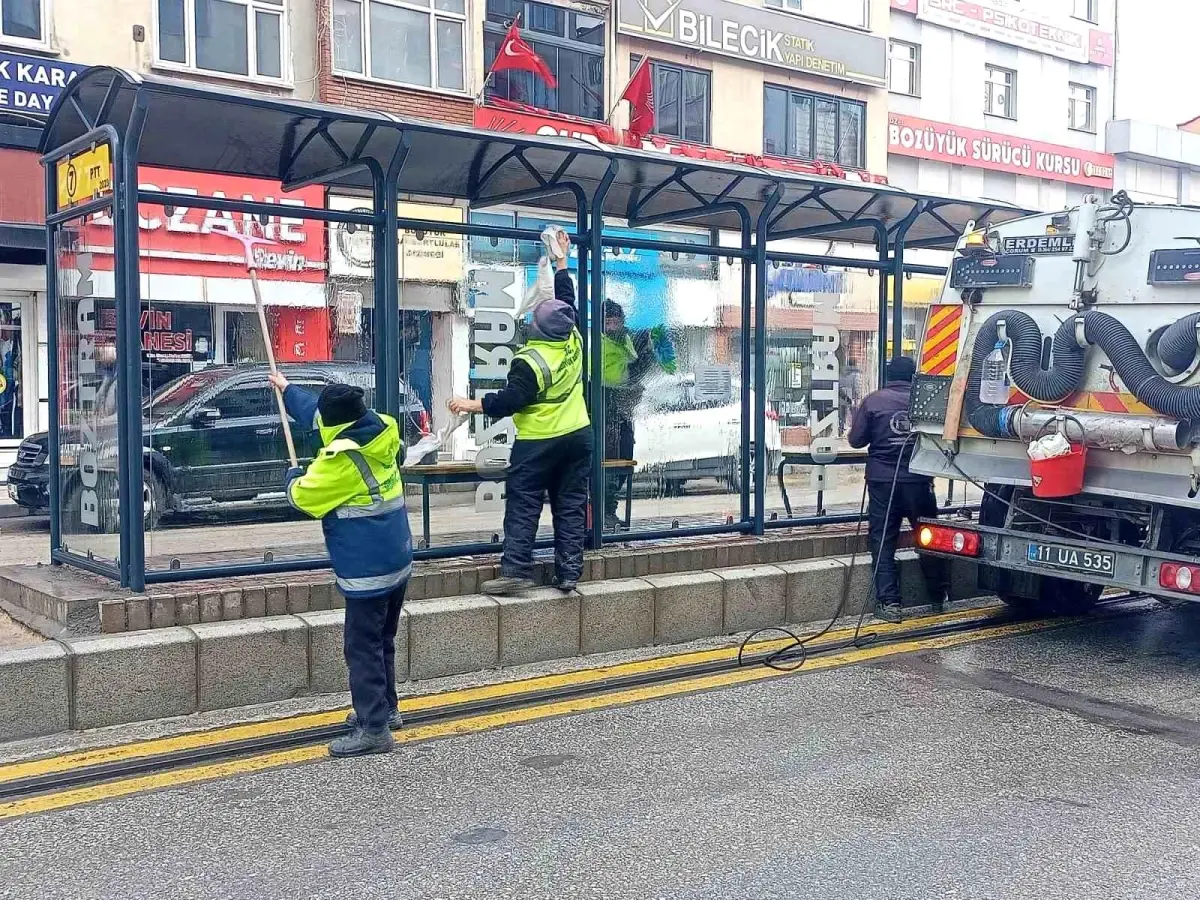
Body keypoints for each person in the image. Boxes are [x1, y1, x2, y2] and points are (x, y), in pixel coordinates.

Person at [268, 371, 412, 758]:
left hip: (367, 567)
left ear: (337, 424)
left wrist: (293, 477)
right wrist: (287, 389)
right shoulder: (379, 428)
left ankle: (374, 728)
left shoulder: (341, 459)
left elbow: (304, 498)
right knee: (383, 639)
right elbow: (317, 413)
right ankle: (387, 709)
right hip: (396, 556)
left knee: (361, 646)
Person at [449, 231, 590, 595]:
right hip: (578, 435)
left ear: (536, 328)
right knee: (570, 503)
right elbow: (566, 300)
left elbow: (513, 401)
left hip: (539, 440)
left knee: (525, 502)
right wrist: (561, 261)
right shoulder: (572, 337)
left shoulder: (530, 360)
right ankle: (569, 573)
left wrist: (472, 404)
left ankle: (516, 571)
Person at [848, 356, 948, 623]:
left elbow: (856, 440)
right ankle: (938, 596)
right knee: (929, 537)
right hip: (919, 481)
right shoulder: (926, 401)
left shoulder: (874, 401)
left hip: (883, 483)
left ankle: (890, 603)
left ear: (888, 374)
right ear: (914, 376)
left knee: (882, 541)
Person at [600, 301, 676, 530]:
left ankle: (606, 509)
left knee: (623, 463)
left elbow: (638, 350)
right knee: (609, 464)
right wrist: (646, 361)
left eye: (616, 321)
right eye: (608, 321)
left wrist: (653, 343)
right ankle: (604, 511)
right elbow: (621, 378)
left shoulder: (625, 339)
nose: (613, 325)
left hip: (622, 413)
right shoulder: (599, 343)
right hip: (606, 411)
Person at [839, 358, 863, 439]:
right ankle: (851, 431)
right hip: (851, 396)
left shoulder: (841, 372)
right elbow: (857, 387)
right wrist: (858, 397)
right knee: (852, 414)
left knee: (842, 414)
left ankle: (841, 429)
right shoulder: (855, 374)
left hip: (841, 395)